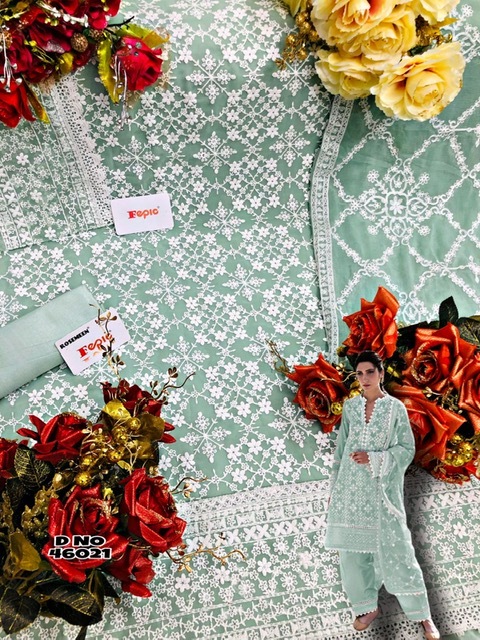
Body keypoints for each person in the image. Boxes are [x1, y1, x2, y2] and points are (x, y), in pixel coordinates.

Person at [325, 350, 440, 640]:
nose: (364, 378)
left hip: (381, 492)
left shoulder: (394, 409)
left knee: (398, 550)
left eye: (370, 372)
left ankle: (422, 614)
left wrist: (375, 458)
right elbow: (341, 450)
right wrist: (335, 490)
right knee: (352, 554)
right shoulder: (350, 408)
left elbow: (406, 449)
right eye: (359, 373)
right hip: (351, 490)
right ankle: (366, 607)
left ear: (381, 372)